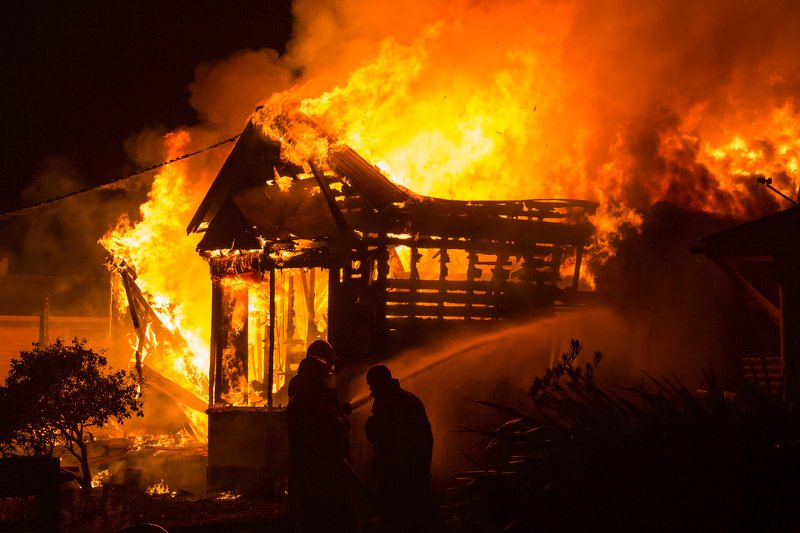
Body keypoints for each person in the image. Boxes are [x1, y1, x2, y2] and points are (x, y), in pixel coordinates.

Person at [286, 356, 357, 532]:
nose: (326, 382)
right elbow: (333, 430)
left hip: (316, 478)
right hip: (320, 479)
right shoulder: (308, 406)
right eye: (323, 378)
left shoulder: (301, 404)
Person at [365, 364, 434, 532]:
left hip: (397, 478)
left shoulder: (386, 403)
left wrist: (371, 427)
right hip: (415, 474)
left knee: (397, 520)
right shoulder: (409, 400)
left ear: (379, 382)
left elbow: (382, 439)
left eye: (371, 384)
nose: (370, 389)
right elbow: (427, 437)